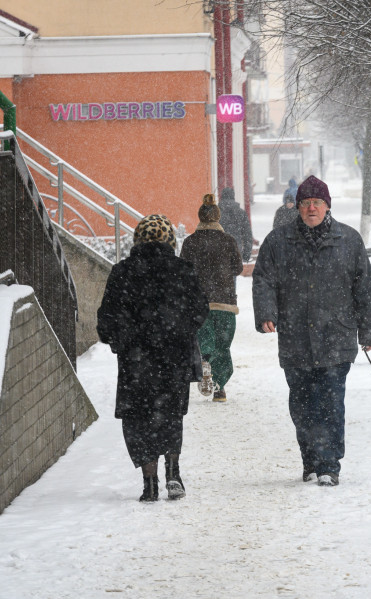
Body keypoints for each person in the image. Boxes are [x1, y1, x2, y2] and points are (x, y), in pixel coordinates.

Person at [252, 175, 371, 487]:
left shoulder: (348, 241)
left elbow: (364, 288)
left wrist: (369, 332)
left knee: (331, 403)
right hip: (295, 338)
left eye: (317, 203)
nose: (312, 208)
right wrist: (266, 313)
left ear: (327, 206)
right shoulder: (278, 241)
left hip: (336, 336)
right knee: (302, 405)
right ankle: (310, 459)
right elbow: (263, 279)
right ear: (297, 207)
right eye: (306, 203)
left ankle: (329, 465)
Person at [97, 214, 208, 502]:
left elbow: (106, 317)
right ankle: (173, 472)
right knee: (170, 415)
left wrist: (120, 340)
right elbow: (199, 310)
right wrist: (179, 331)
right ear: (170, 240)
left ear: (137, 240)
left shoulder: (122, 272)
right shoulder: (183, 270)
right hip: (174, 360)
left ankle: (149, 483)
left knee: (138, 419)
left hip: (136, 363)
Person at [180, 194, 244, 402]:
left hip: (199, 303)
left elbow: (183, 271)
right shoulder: (228, 241)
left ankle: (205, 360)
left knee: (204, 339)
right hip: (225, 302)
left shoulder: (190, 242)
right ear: (218, 217)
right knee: (223, 345)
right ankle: (220, 388)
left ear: (200, 218)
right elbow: (238, 268)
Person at [219, 186, 254, 261]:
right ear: (233, 197)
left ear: (221, 197)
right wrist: (246, 254)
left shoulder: (215, 213)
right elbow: (247, 235)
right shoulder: (241, 213)